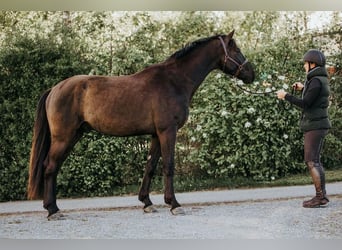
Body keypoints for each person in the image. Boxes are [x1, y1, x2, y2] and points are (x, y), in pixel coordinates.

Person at [276, 49, 331, 208]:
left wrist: (285, 96)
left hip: (315, 125)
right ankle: (322, 196)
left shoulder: (315, 81)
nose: (304, 67)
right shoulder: (318, 79)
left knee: (311, 161)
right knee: (315, 161)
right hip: (318, 124)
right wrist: (302, 87)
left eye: (305, 64)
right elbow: (313, 95)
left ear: (312, 64)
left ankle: (320, 197)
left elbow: (305, 104)